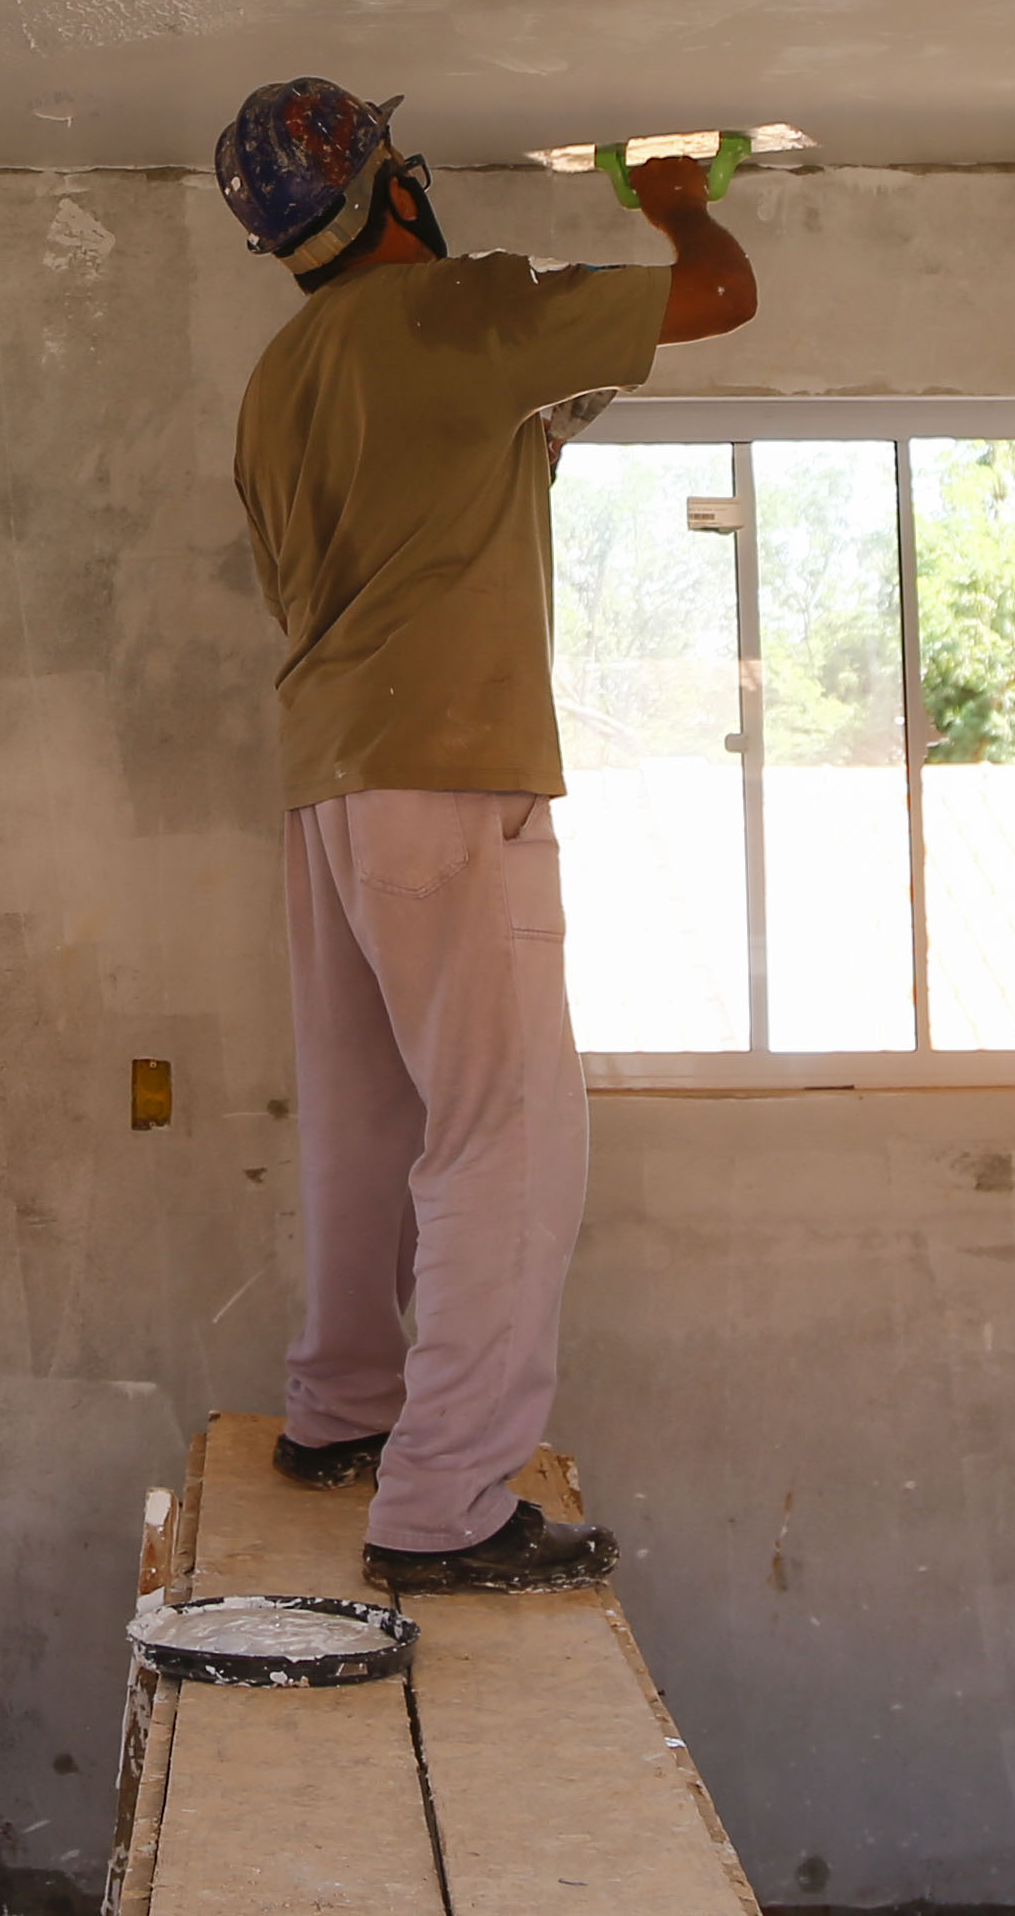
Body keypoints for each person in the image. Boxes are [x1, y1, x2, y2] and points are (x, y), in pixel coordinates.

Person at [214, 80, 758, 1591]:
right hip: (451, 772)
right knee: (507, 1142)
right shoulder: (461, 310)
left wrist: (543, 417)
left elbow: (411, 515)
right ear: (391, 190)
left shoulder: (279, 375)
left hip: (330, 781)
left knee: (367, 1118)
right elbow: (723, 297)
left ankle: (344, 1413)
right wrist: (673, 206)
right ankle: (440, 1506)